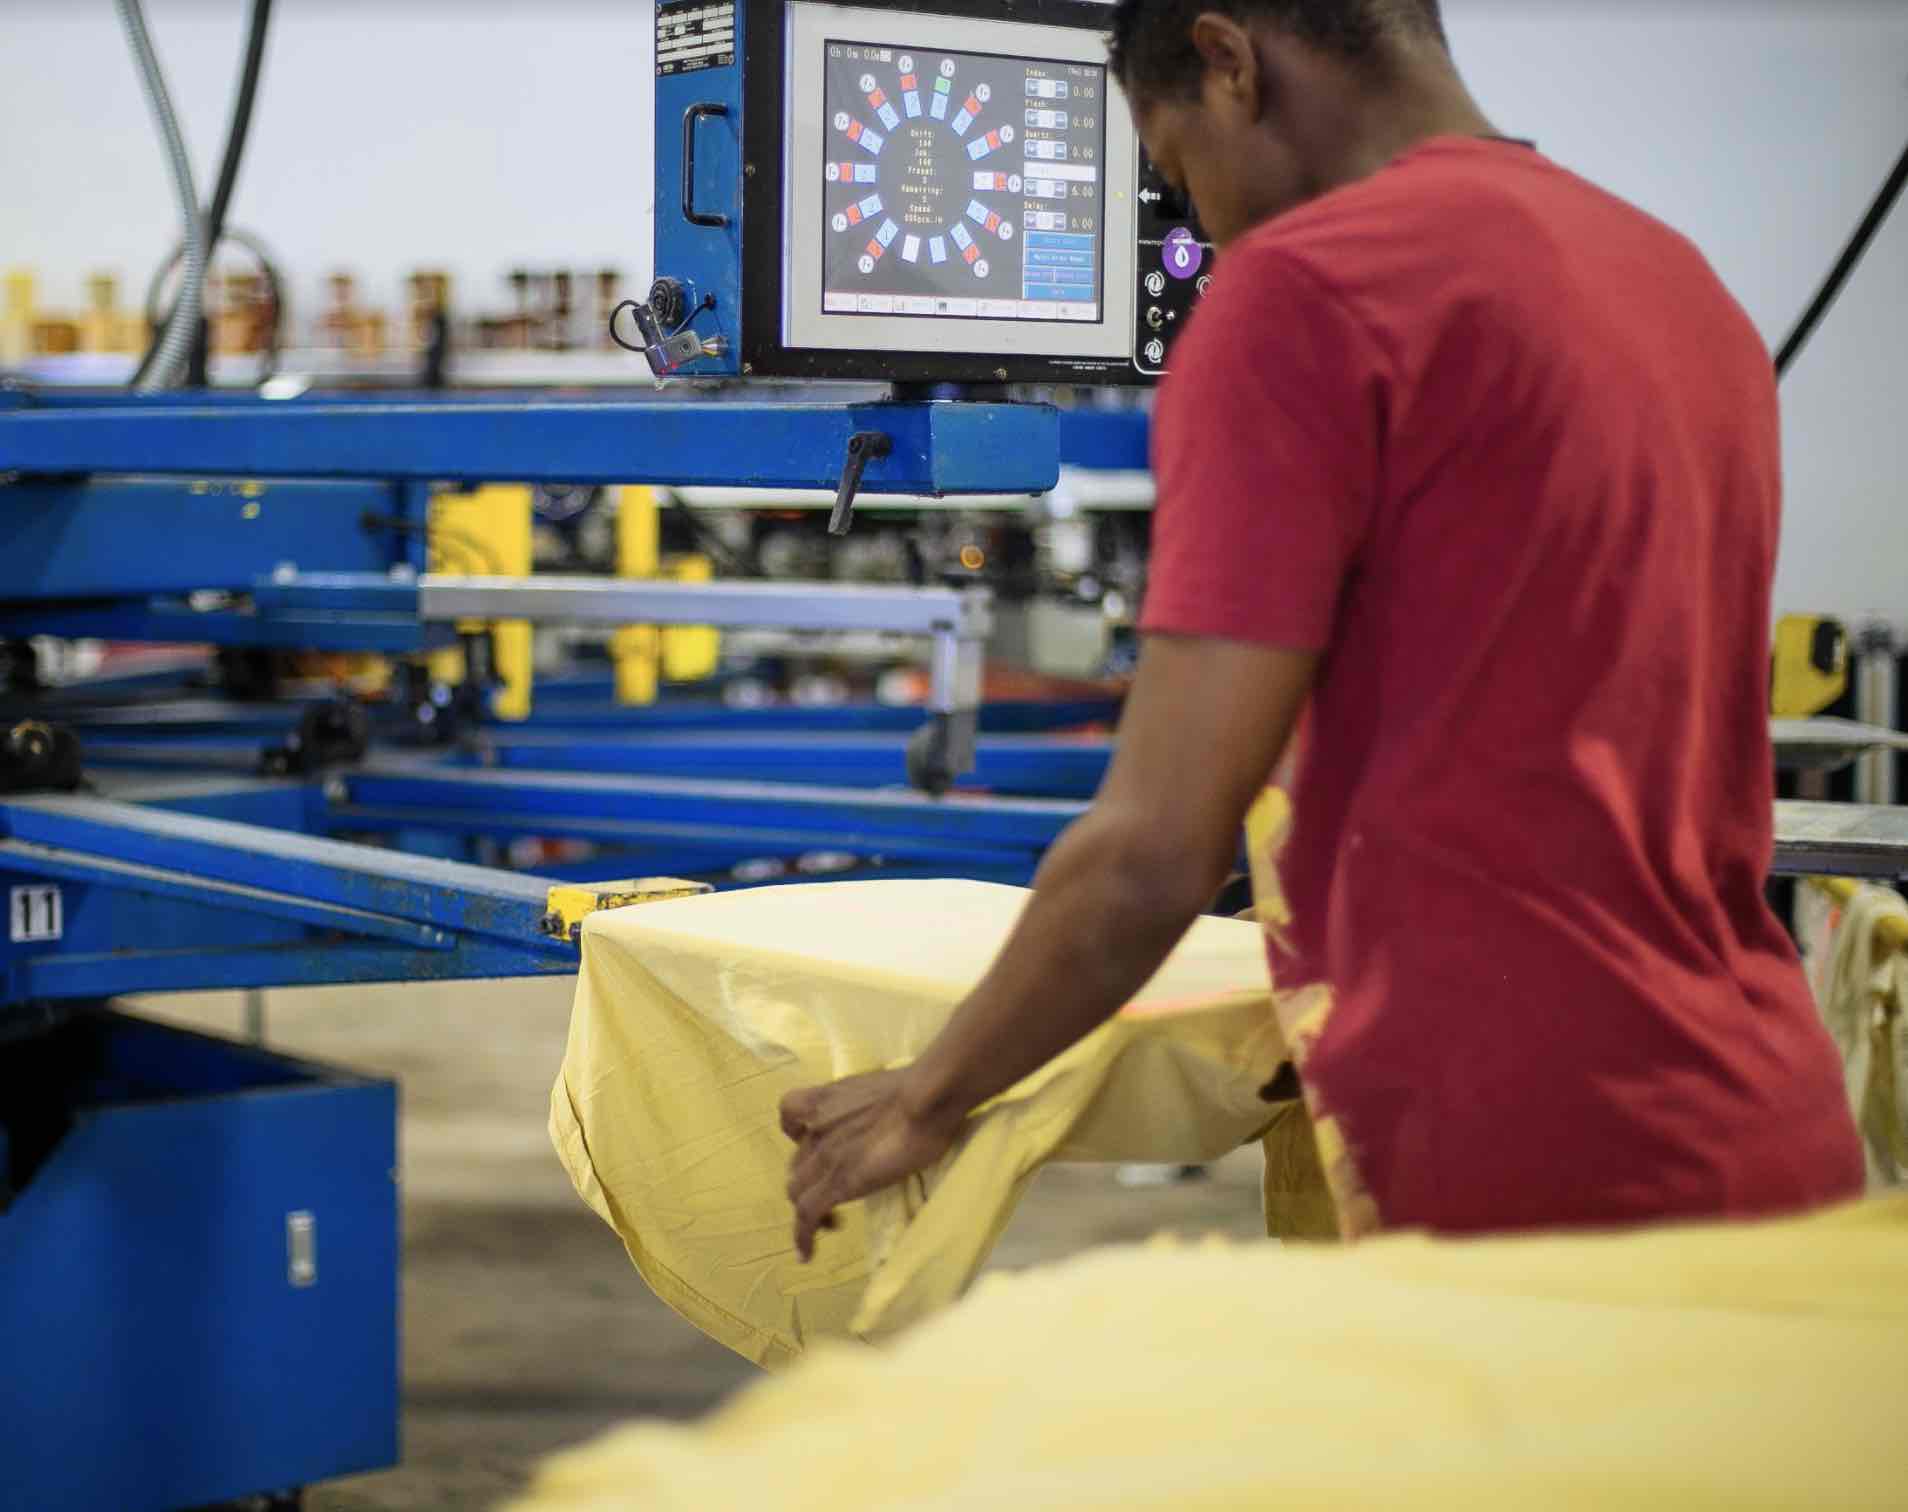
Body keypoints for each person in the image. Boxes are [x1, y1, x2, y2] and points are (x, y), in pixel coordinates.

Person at [782, 0, 1864, 1254]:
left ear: (1228, 59)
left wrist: (930, 1094)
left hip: (1532, 1172)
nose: (1201, 227)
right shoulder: (1674, 278)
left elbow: (1149, 852)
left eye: (1181, 175)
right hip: (1769, 1131)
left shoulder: (1305, 293)